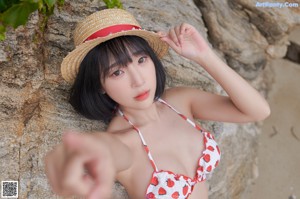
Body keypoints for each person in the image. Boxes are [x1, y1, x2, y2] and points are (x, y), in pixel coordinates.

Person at [44, 8, 270, 199]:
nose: (139, 80)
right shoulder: (123, 143)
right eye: (117, 72)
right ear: (100, 84)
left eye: (141, 60)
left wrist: (205, 56)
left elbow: (257, 111)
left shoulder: (179, 101)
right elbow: (101, 152)